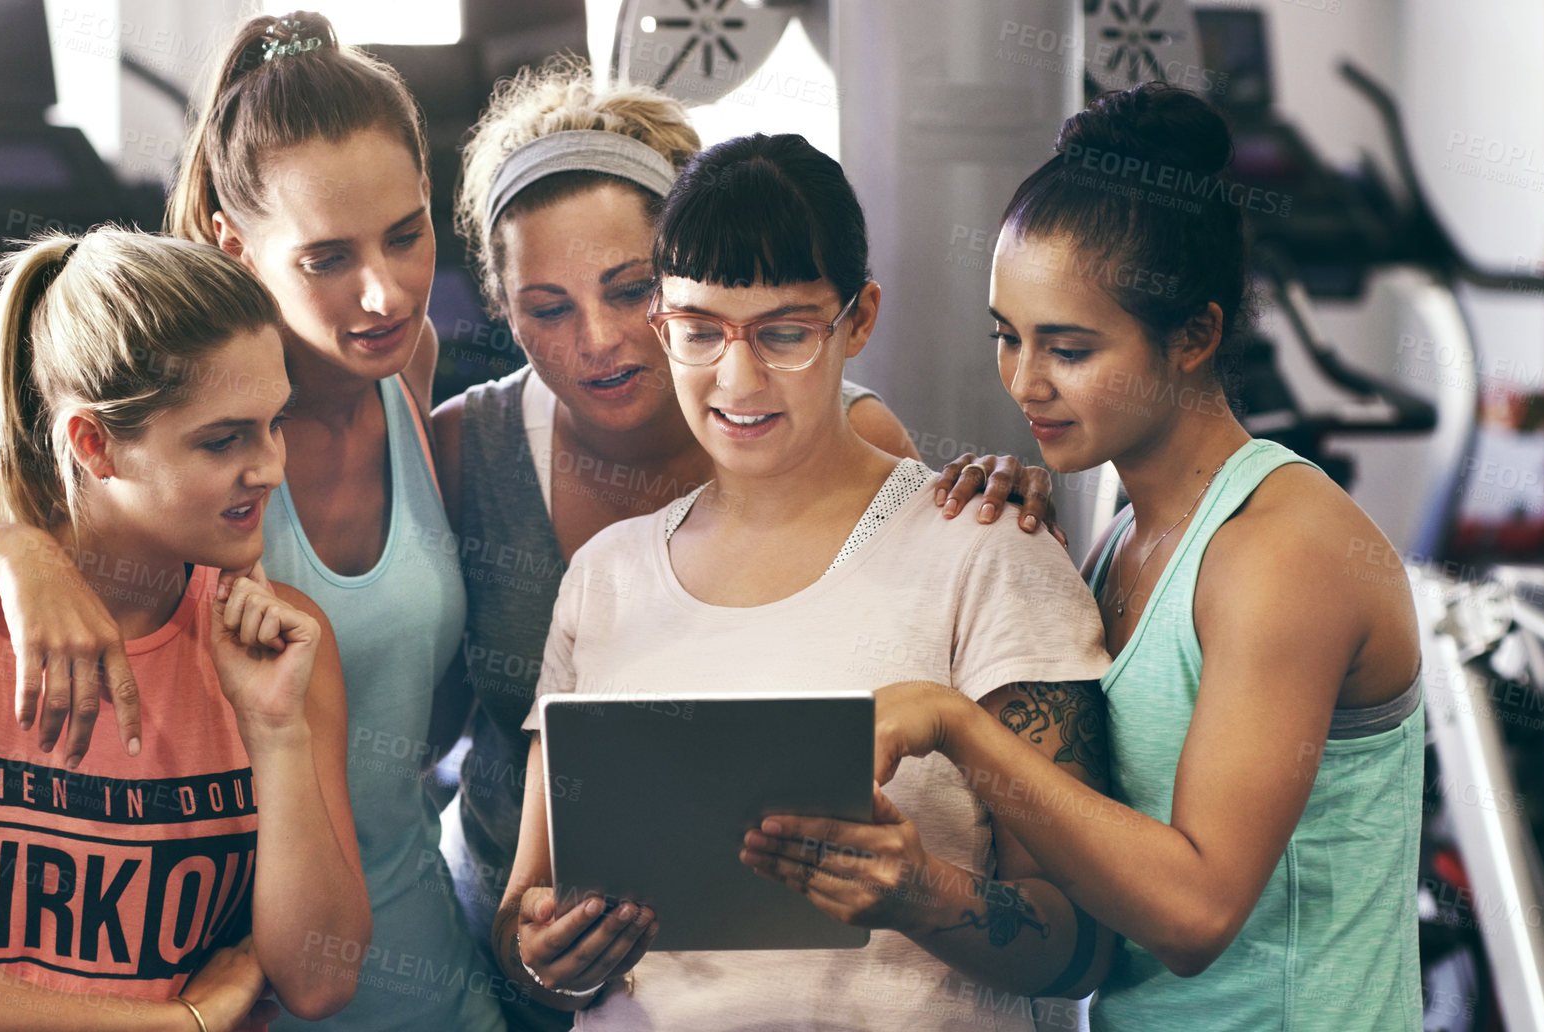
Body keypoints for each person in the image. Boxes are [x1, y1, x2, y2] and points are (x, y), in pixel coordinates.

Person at [0, 12, 505, 1029]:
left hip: (407, 948)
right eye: (327, 255)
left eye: (407, 232)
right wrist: (8, 549)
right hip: (229, 986)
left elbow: (414, 727)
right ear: (232, 242)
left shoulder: (407, 366)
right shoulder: (144, 412)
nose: (384, 291)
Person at [491, 133, 1118, 1030]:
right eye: (698, 331)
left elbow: (1083, 944)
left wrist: (922, 895)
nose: (737, 378)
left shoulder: (986, 550)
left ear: (857, 319)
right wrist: (548, 954)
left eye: (783, 333)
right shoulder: (604, 579)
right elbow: (524, 918)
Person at [894, 82, 1424, 1028]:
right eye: (1007, 338)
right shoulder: (1116, 543)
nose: (1023, 381)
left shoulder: (1280, 554)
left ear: (1195, 336)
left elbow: (1194, 913)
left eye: (1068, 348)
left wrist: (956, 726)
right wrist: (1035, 565)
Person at [433, 62, 934, 1030]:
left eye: (630, 292)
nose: (600, 342)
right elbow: (413, 721)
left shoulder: (845, 436)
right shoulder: (468, 450)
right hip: (525, 947)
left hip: (767, 961)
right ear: (501, 307)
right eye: (547, 308)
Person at [0, 229, 368, 1031]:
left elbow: (321, 982)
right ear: (93, 444)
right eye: (222, 440)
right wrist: (188, 1021)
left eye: (273, 423)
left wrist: (277, 733)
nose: (269, 467)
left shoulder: (280, 641)